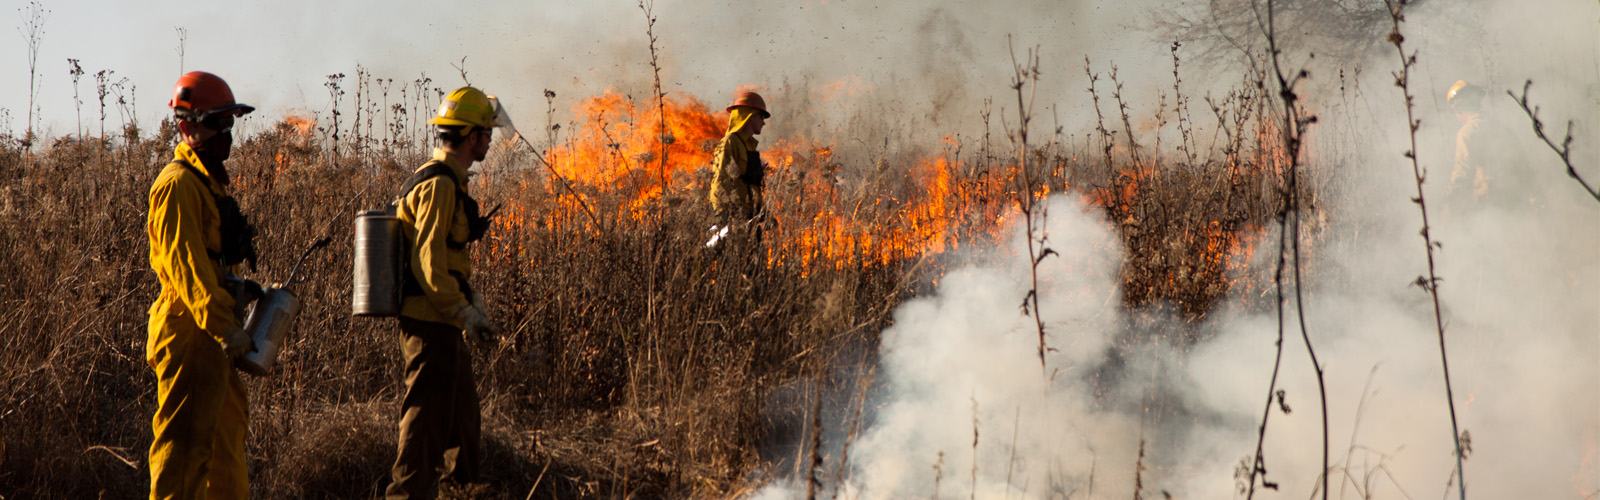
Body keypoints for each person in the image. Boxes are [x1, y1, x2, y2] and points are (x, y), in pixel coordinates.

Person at [386, 86, 504, 499]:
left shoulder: (451, 181)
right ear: (472, 137)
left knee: (462, 424)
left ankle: (463, 493)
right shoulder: (438, 185)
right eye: (486, 133)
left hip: (444, 323)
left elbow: (447, 262)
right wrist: (464, 313)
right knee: (424, 428)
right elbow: (430, 264)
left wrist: (472, 303)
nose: (489, 140)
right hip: (429, 323)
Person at [145, 70, 259, 499]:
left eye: (230, 125)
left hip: (213, 330)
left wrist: (237, 289)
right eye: (218, 124)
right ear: (187, 125)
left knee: (226, 438)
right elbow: (187, 272)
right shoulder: (177, 187)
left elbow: (208, 265)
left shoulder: (207, 187)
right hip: (190, 331)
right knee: (185, 448)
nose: (226, 136)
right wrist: (225, 326)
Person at [709, 91, 771, 226]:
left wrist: (763, 212)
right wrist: (720, 212)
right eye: (761, 117)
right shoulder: (729, 143)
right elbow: (719, 179)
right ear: (750, 116)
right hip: (732, 216)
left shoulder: (749, 146)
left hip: (748, 217)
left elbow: (753, 185)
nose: (763, 123)